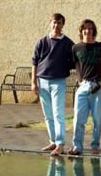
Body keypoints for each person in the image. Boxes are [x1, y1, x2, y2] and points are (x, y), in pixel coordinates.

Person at [31, 13, 74, 156]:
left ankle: (60, 144)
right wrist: (33, 83)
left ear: (63, 25)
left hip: (58, 82)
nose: (57, 25)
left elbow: (75, 60)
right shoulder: (42, 42)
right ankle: (53, 141)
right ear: (50, 23)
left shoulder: (68, 43)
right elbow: (35, 62)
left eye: (60, 23)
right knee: (48, 115)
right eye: (54, 22)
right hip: (42, 81)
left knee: (58, 113)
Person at [68, 19, 101, 156]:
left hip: (98, 86)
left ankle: (95, 145)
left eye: (90, 28)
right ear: (81, 31)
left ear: (94, 31)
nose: (87, 31)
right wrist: (79, 80)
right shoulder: (76, 48)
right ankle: (77, 146)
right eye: (85, 28)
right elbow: (75, 65)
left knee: (98, 119)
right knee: (78, 119)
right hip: (83, 86)